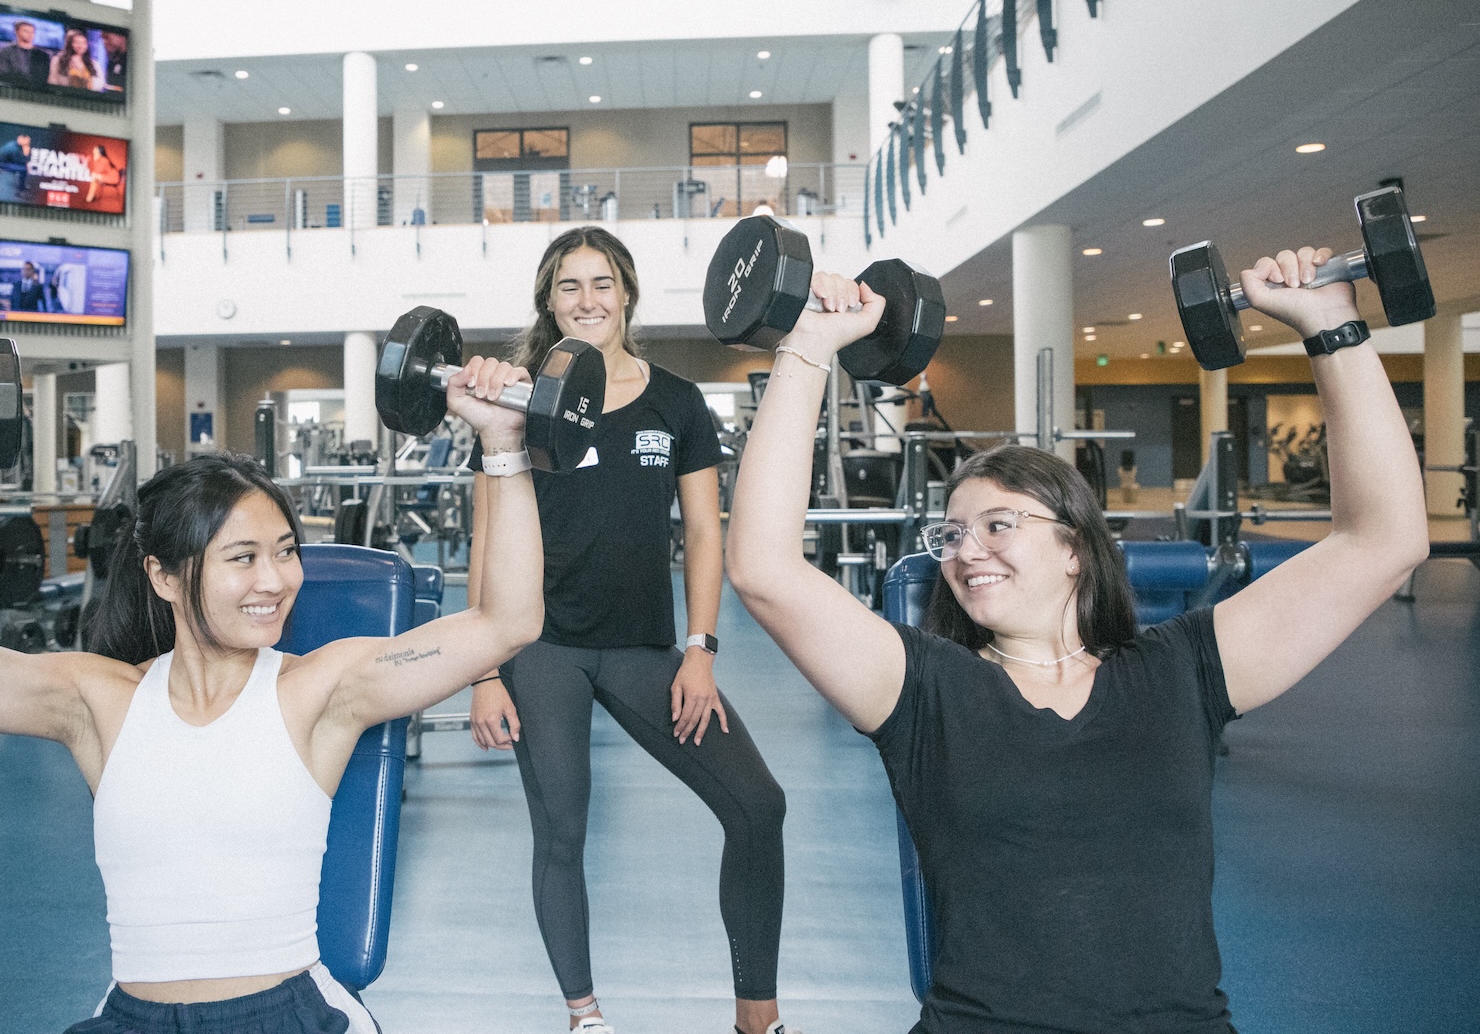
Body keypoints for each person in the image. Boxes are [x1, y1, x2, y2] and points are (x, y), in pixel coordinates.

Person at [724, 247, 1429, 1033]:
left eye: (998, 525)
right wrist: (810, 346)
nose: (965, 550)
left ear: (1073, 547)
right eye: (950, 534)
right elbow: (763, 570)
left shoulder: (1180, 672)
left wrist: (1333, 326)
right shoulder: (924, 691)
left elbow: (1383, 541)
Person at [0, 355, 543, 1033]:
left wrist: (502, 441)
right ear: (165, 576)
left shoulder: (322, 690)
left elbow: (508, 621)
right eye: (243, 558)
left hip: (287, 1015)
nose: (275, 581)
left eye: (285, 550)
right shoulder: (96, 700)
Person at [467, 226, 796, 1034]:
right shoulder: (518, 401)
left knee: (757, 806)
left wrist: (701, 650)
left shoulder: (676, 401)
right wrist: (480, 671)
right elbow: (485, 534)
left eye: (602, 283)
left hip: (645, 646)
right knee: (563, 830)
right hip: (539, 645)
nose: (588, 301)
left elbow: (705, 535)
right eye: (570, 286)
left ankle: (759, 1017)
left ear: (628, 294)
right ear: (549, 301)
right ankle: (585, 1016)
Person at [0, 20, 52, 85]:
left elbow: (44, 77)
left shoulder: (43, 55)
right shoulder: (5, 52)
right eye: (26, 31)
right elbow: (1, 73)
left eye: (32, 32)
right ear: (16, 32)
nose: (30, 34)